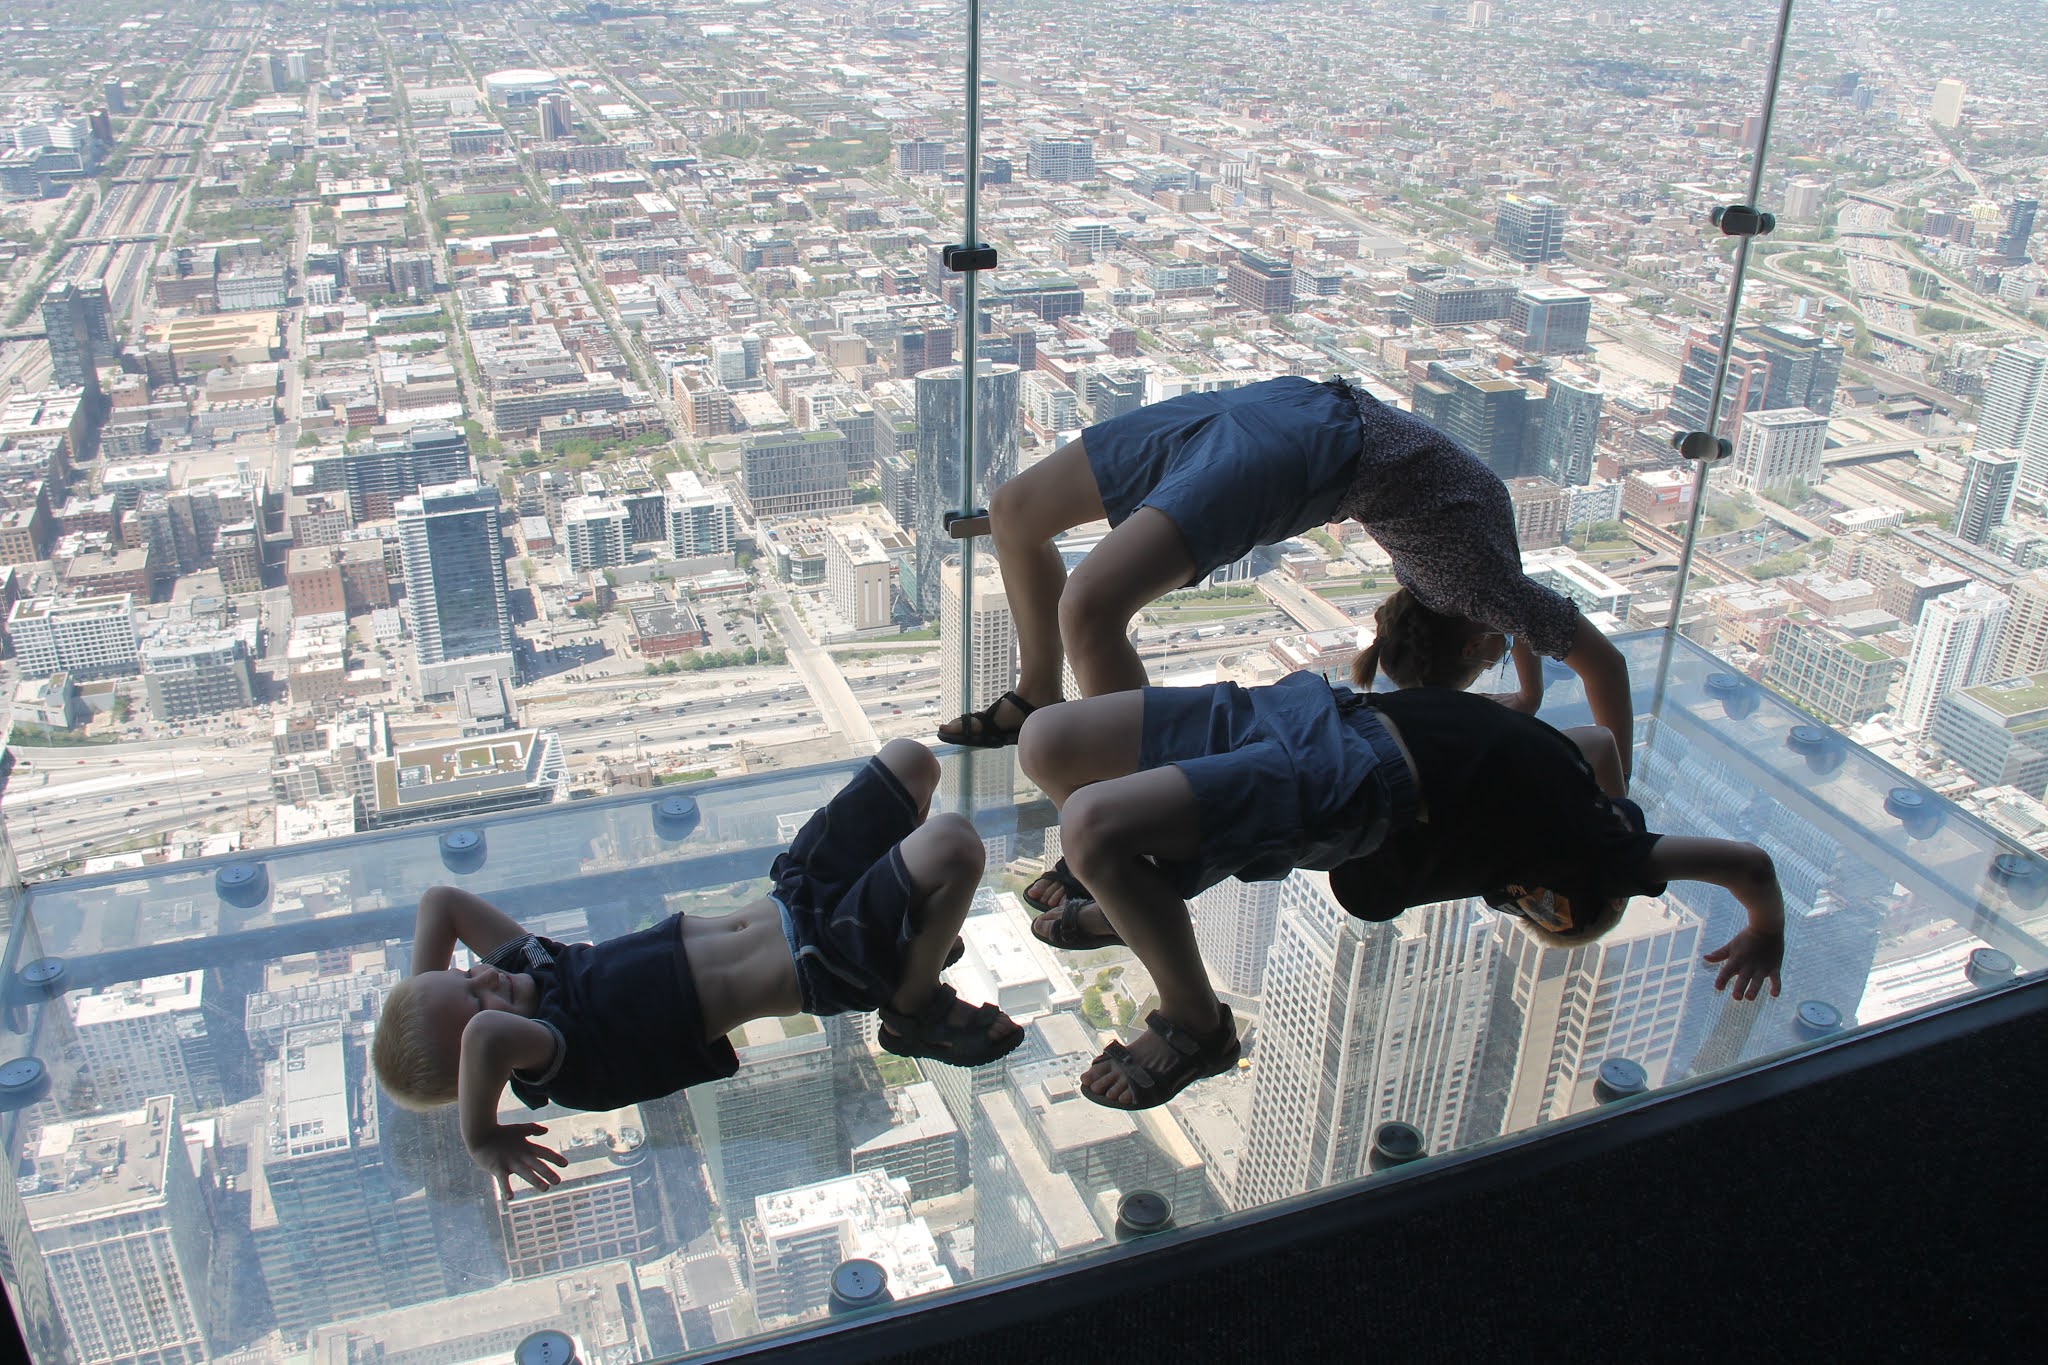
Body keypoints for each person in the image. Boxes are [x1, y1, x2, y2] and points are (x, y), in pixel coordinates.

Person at [1014, 592, 1785, 1112]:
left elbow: (1603, 745)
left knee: (1092, 826)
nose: (1521, 901)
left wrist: (1607, 793)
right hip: (1327, 722)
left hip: (1351, 763)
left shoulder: (1571, 777)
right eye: (1547, 911)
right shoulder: (1597, 851)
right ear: (1574, 895)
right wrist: (1763, 931)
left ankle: (1198, 1020)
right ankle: (1135, 908)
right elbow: (1749, 864)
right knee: (1046, 741)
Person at [373, 739, 1021, 1197]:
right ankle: (910, 1005)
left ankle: (915, 933)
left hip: (796, 894)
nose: (486, 977)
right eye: (476, 998)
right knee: (954, 844)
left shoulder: (531, 975)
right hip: (825, 959)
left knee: (912, 762)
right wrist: (481, 1135)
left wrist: (429, 992)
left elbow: (441, 903)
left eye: (466, 975)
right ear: (484, 1070)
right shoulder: (558, 1054)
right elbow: (486, 1038)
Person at [938, 372, 1634, 775]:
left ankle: (1122, 787)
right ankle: (1052, 706)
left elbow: (1518, 615)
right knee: (1054, 565)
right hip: (1307, 440)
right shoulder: (1472, 588)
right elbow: (1603, 664)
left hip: (1294, 406)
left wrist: (1530, 691)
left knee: (1022, 521)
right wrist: (1617, 798)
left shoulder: (1475, 587)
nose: (1502, 649)